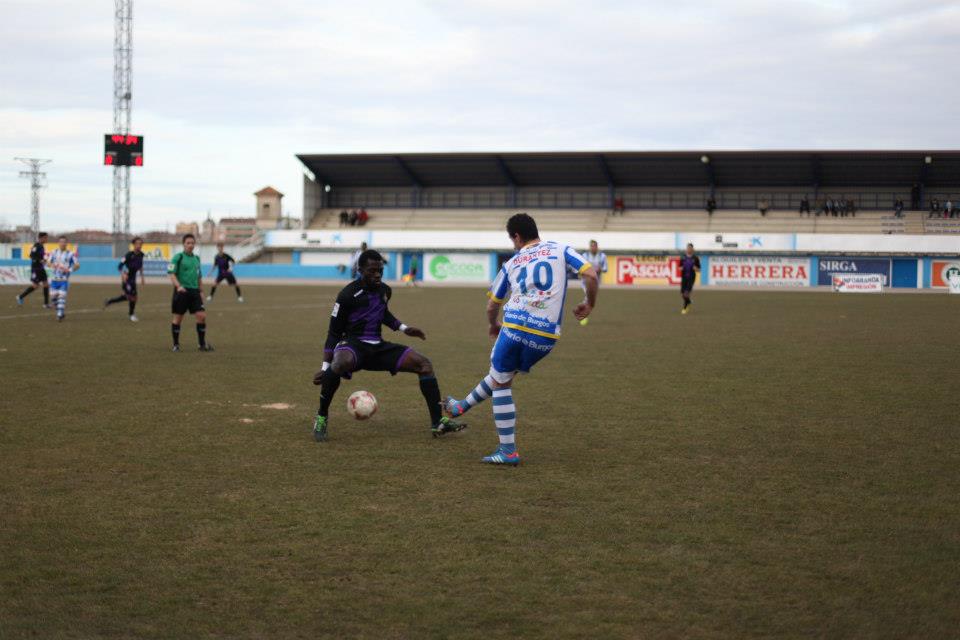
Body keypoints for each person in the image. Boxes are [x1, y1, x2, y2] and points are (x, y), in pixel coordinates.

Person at [443, 213, 599, 466]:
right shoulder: (560, 249)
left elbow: (492, 305)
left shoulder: (512, 263)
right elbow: (590, 275)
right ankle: (460, 406)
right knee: (502, 375)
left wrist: (493, 325)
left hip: (514, 327)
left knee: (501, 382)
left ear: (516, 236)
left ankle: (508, 452)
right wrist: (589, 303)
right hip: (546, 336)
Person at [310, 249, 465, 442]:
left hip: (378, 347)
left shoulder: (385, 290)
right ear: (360, 270)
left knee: (424, 365)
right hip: (353, 345)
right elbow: (333, 332)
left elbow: (382, 313)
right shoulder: (347, 295)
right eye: (372, 271)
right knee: (338, 364)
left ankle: (438, 422)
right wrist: (325, 368)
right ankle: (322, 417)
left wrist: (404, 328)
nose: (377, 275)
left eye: (380, 270)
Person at [167, 234, 212, 352]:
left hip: (195, 292)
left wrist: (201, 291)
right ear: (184, 244)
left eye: (192, 243)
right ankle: (176, 344)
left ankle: (201, 344)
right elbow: (171, 273)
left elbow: (199, 277)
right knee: (178, 318)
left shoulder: (197, 259)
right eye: (188, 243)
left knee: (201, 316)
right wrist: (179, 286)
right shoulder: (178, 257)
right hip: (182, 291)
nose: (191, 245)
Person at [104, 236, 146, 321]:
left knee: (128, 297)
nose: (139, 245)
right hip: (127, 280)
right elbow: (120, 266)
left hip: (133, 279)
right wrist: (123, 274)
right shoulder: (128, 255)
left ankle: (109, 301)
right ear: (133, 244)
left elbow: (140, 266)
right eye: (137, 243)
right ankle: (131, 315)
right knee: (132, 297)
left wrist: (142, 277)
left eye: (140, 244)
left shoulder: (141, 255)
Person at [47, 236, 79, 321]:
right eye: (61, 242)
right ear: (58, 243)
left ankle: (59, 314)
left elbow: (77, 265)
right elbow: (48, 262)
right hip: (54, 279)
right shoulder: (54, 252)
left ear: (66, 243)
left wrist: (69, 269)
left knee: (61, 297)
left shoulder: (70, 254)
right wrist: (52, 265)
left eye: (64, 242)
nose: (62, 243)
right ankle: (60, 312)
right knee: (53, 299)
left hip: (64, 280)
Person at [15, 231, 51, 308]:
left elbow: (38, 257)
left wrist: (43, 260)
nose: (47, 239)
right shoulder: (37, 245)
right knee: (35, 286)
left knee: (46, 284)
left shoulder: (41, 246)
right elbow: (32, 256)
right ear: (42, 238)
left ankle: (46, 304)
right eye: (46, 237)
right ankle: (20, 297)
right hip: (36, 268)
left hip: (41, 268)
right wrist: (40, 260)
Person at [579, 239, 607, 326]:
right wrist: (588, 271)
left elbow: (605, 269)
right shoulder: (585, 255)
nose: (593, 248)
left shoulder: (602, 256)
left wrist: (600, 269)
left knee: (590, 299)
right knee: (588, 297)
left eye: (595, 246)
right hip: (585, 281)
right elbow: (580, 268)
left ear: (597, 247)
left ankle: (582, 312)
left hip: (596, 282)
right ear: (590, 247)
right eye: (592, 246)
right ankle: (582, 314)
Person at [679, 243, 701, 314]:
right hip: (684, 277)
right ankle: (689, 301)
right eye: (687, 248)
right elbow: (679, 267)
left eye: (690, 248)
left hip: (691, 277)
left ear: (692, 249)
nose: (688, 249)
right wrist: (681, 268)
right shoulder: (683, 257)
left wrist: (696, 268)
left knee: (686, 293)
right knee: (682, 294)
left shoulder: (695, 258)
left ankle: (685, 308)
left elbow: (699, 269)